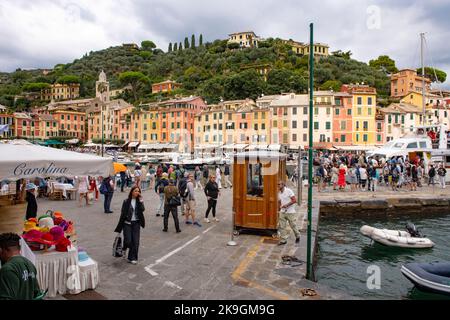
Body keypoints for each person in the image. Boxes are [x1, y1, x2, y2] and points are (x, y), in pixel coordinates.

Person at [0, 233, 41, 300]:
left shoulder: (7, 269)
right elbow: (37, 293)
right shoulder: (29, 263)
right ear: (19, 248)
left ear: (1, 250)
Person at [114, 186, 145, 265]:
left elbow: (142, 209)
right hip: (127, 223)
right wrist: (119, 228)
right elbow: (123, 214)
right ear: (131, 192)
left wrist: (141, 200)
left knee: (136, 241)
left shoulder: (139, 201)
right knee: (128, 240)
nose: (137, 192)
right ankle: (124, 248)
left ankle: (132, 258)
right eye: (135, 191)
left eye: (138, 191)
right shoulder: (126, 201)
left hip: (136, 223)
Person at [277, 181, 300, 246]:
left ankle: (298, 236)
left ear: (283, 185)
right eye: (277, 184)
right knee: (282, 226)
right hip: (283, 211)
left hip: (290, 212)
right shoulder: (279, 193)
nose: (278, 186)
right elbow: (279, 201)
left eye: (279, 184)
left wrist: (286, 205)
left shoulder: (289, 191)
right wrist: (279, 209)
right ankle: (283, 240)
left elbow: (294, 200)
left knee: (293, 225)